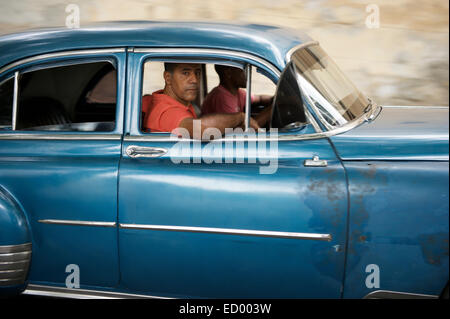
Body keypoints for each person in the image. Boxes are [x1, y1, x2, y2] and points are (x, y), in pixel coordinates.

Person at [142, 63, 259, 138]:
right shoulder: (167, 111)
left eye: (197, 73)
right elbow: (203, 130)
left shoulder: (164, 100)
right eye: (185, 73)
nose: (195, 80)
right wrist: (241, 117)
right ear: (168, 78)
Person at [201, 65, 273, 127]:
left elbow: (260, 98)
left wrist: (274, 99)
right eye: (242, 70)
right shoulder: (221, 98)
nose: (247, 74)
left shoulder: (238, 93)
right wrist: (271, 110)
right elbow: (240, 131)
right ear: (229, 73)